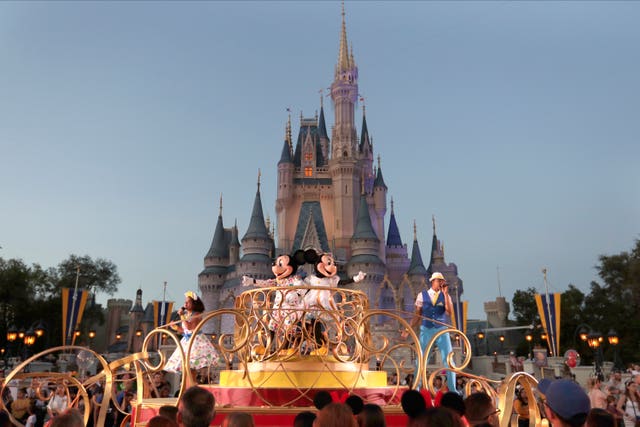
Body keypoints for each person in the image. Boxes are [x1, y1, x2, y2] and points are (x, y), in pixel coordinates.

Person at [403, 272, 456, 391]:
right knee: (421, 359)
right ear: (432, 282)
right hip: (426, 330)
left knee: (449, 359)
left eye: (442, 281)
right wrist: (408, 329)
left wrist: (446, 294)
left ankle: (453, 390)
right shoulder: (422, 295)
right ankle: (416, 388)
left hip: (441, 330)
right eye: (439, 280)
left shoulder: (445, 296)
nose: (441, 283)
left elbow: (449, 312)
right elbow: (417, 315)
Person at [165, 291, 219, 382]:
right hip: (187, 341)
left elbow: (190, 327)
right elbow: (186, 331)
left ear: (194, 304)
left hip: (195, 342)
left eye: (188, 302)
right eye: (185, 302)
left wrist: (182, 315)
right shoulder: (187, 315)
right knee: (186, 366)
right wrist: (176, 328)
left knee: (191, 366)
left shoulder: (197, 314)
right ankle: (187, 386)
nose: (185, 303)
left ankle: (191, 385)